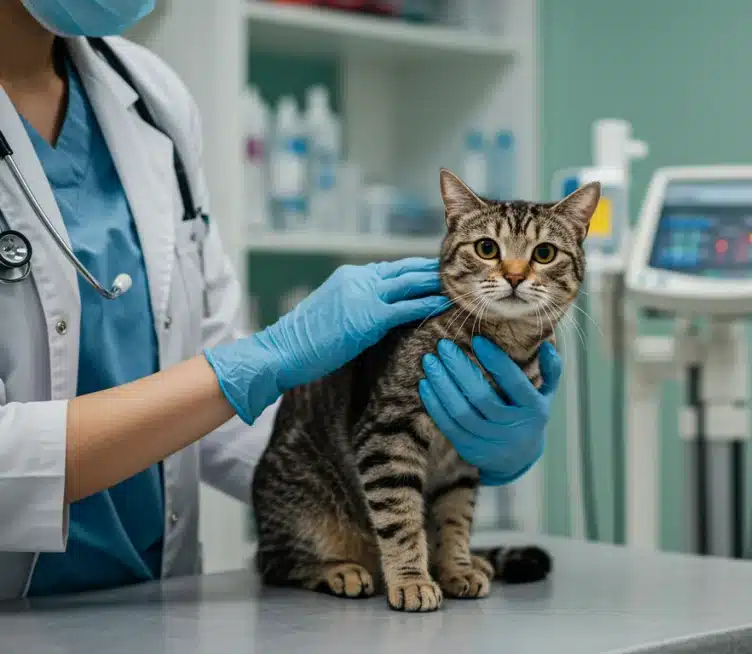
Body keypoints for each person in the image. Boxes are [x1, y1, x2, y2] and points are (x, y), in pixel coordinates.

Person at [0, 0, 561, 600]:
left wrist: (449, 445)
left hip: (153, 601)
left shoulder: (149, 94)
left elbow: (210, 398)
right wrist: (263, 360)